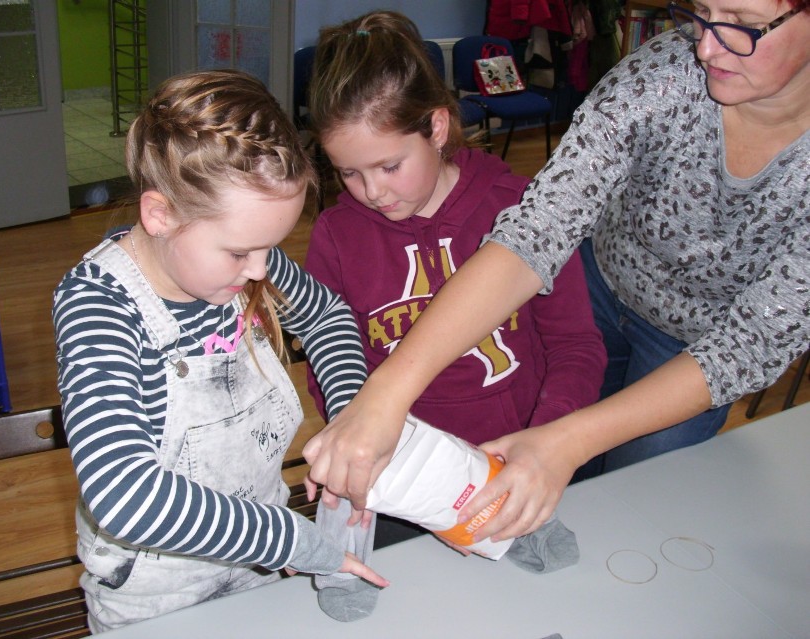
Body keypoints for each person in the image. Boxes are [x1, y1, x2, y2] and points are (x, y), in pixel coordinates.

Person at [303, 0, 809, 546]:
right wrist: (380, 397)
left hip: (698, 345)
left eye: (746, 27)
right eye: (700, 13)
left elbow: (749, 346)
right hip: (603, 280)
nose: (705, 46)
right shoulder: (663, 74)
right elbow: (538, 231)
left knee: (637, 505)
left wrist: (558, 440)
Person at [53, 69, 386, 633]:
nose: (260, 270)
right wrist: (290, 539)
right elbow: (123, 495)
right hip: (155, 594)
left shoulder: (247, 258)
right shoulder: (98, 305)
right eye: (239, 253)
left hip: (255, 567)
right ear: (160, 214)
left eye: (271, 248)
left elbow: (328, 317)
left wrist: (352, 420)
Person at [303, 9, 605, 547]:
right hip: (400, 484)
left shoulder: (520, 208)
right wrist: (353, 437)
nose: (371, 191)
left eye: (389, 165)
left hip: (515, 467)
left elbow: (576, 346)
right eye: (348, 172)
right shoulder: (335, 234)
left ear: (437, 127)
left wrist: (548, 436)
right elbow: (330, 360)